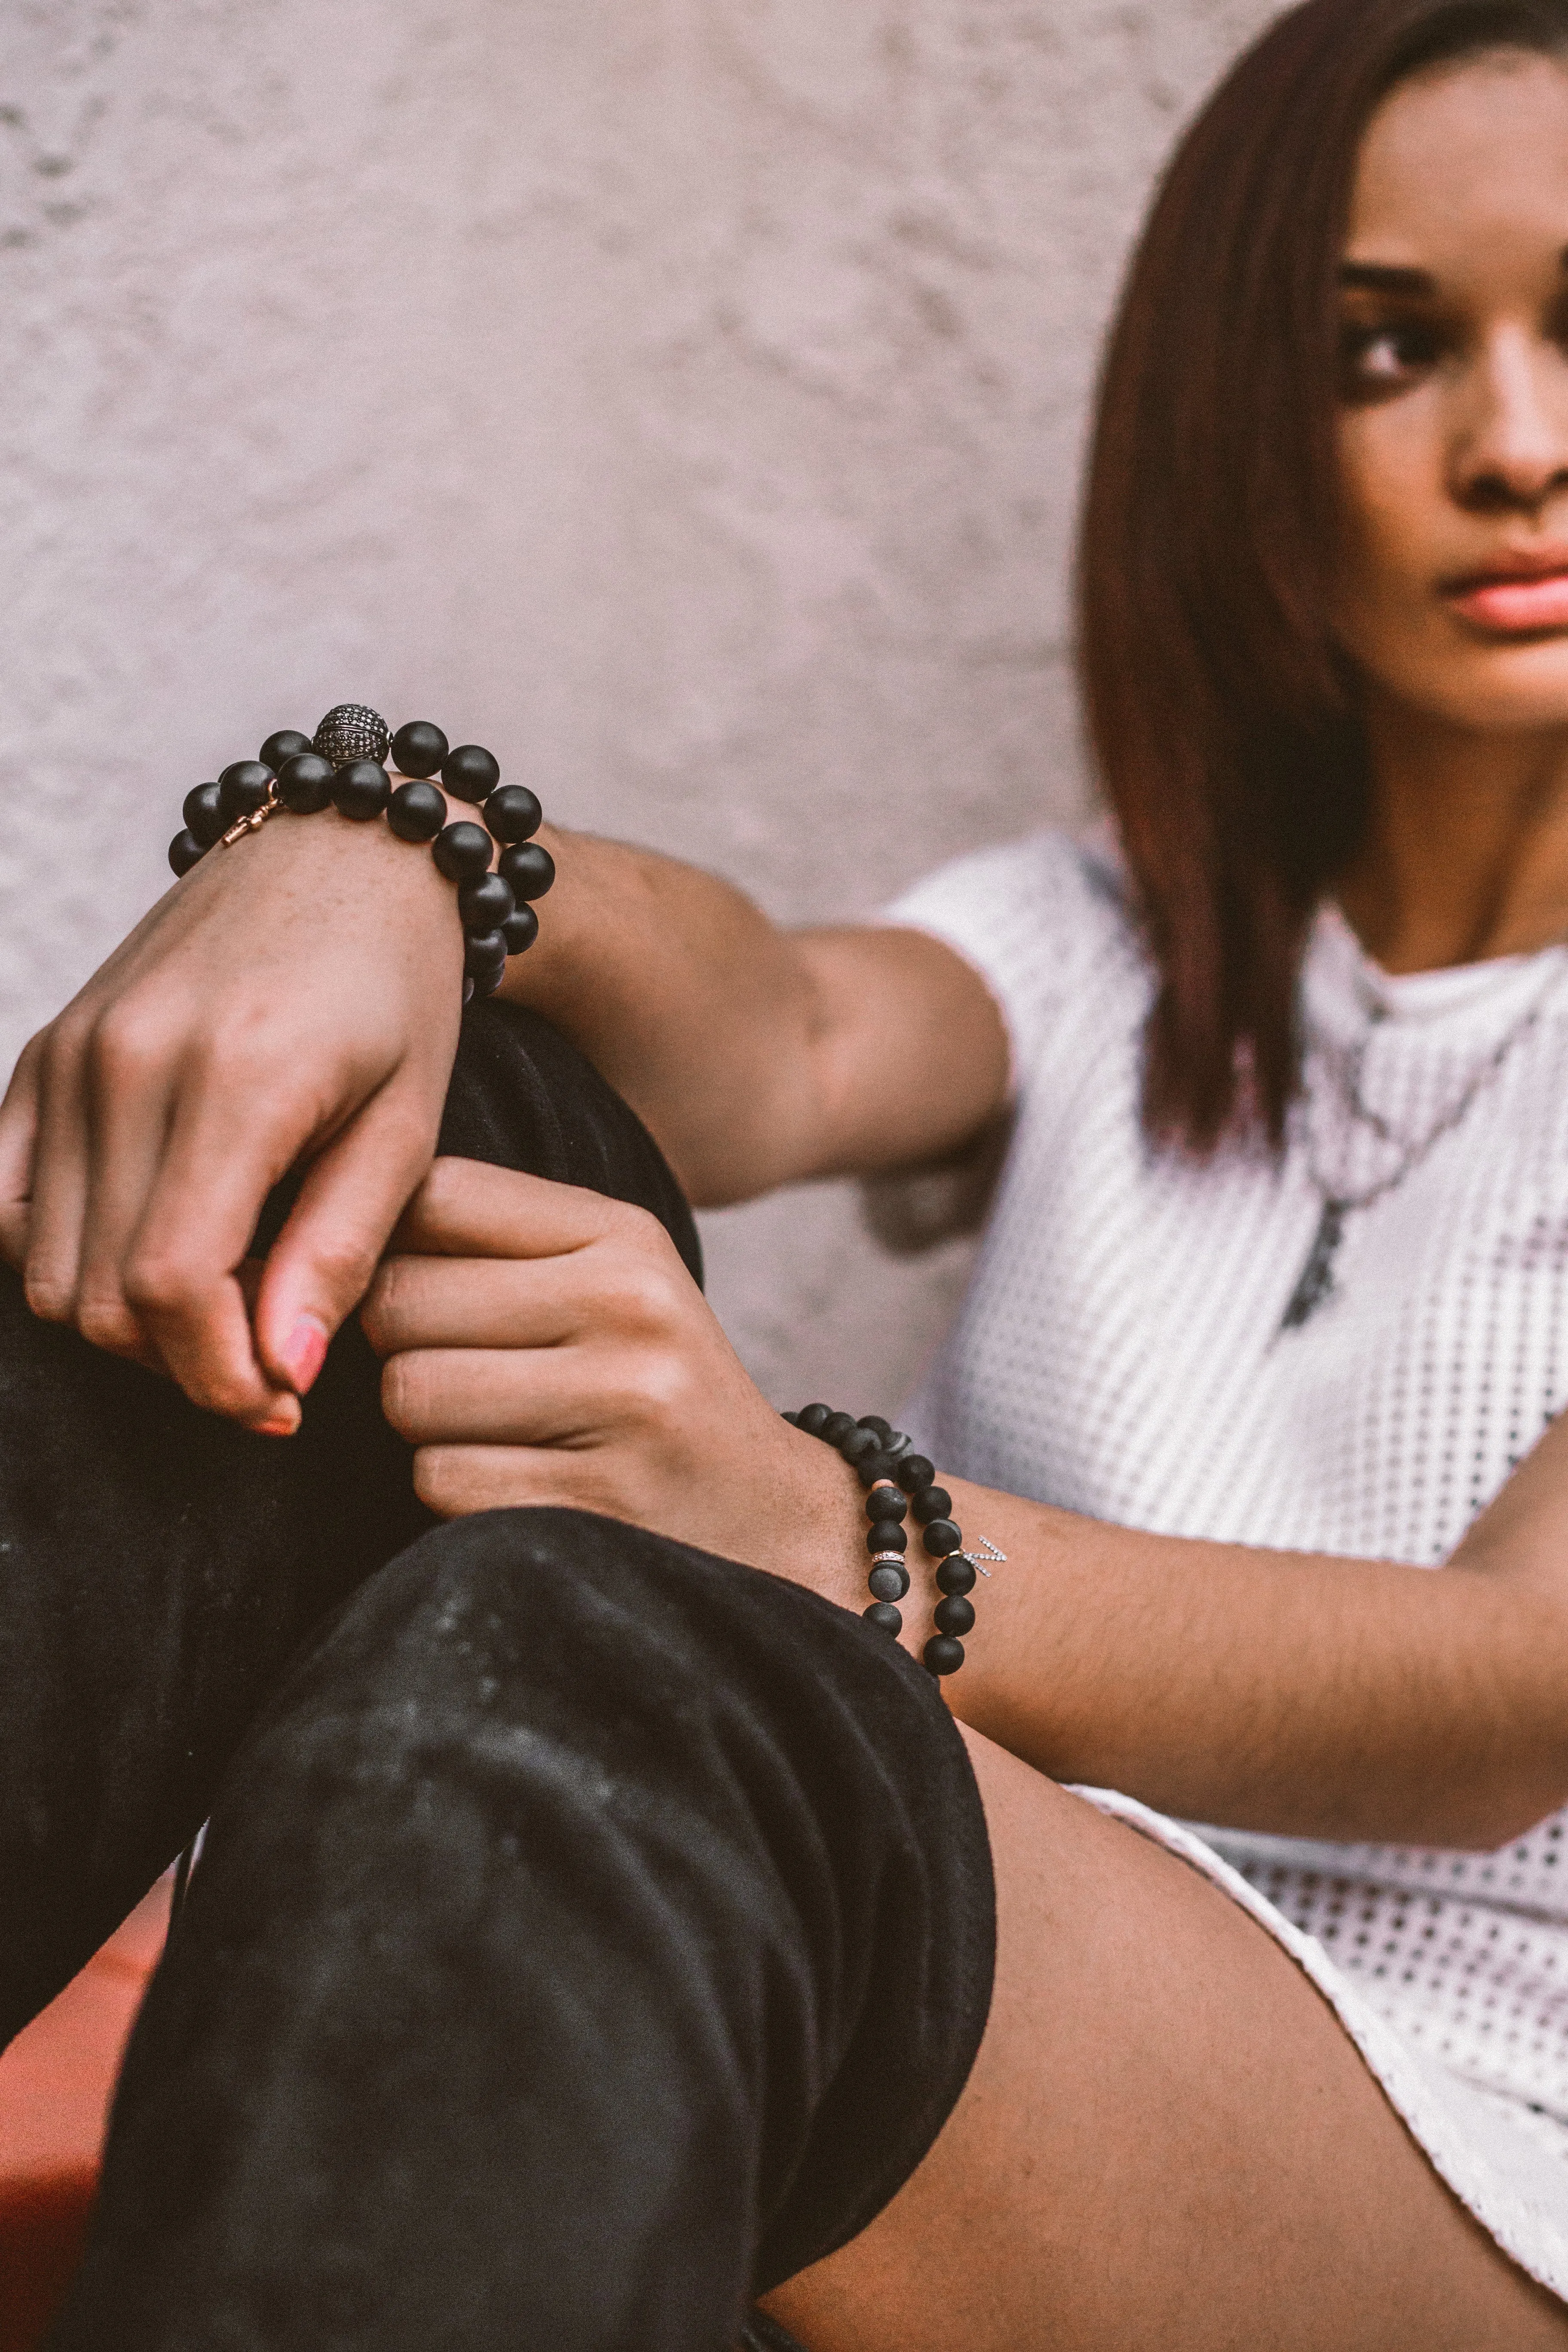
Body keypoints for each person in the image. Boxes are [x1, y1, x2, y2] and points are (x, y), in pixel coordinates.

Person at [9, 0, 1568, 2340]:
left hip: (1464, 2170)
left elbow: (1510, 1697)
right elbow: (775, 1037)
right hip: (968, 1961)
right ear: (1243, 438)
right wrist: (396, 855)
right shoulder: (1104, 951)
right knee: (458, 1114)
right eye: (1384, 355)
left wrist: (822, 1536)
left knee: (612, 1654)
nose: (1519, 446)